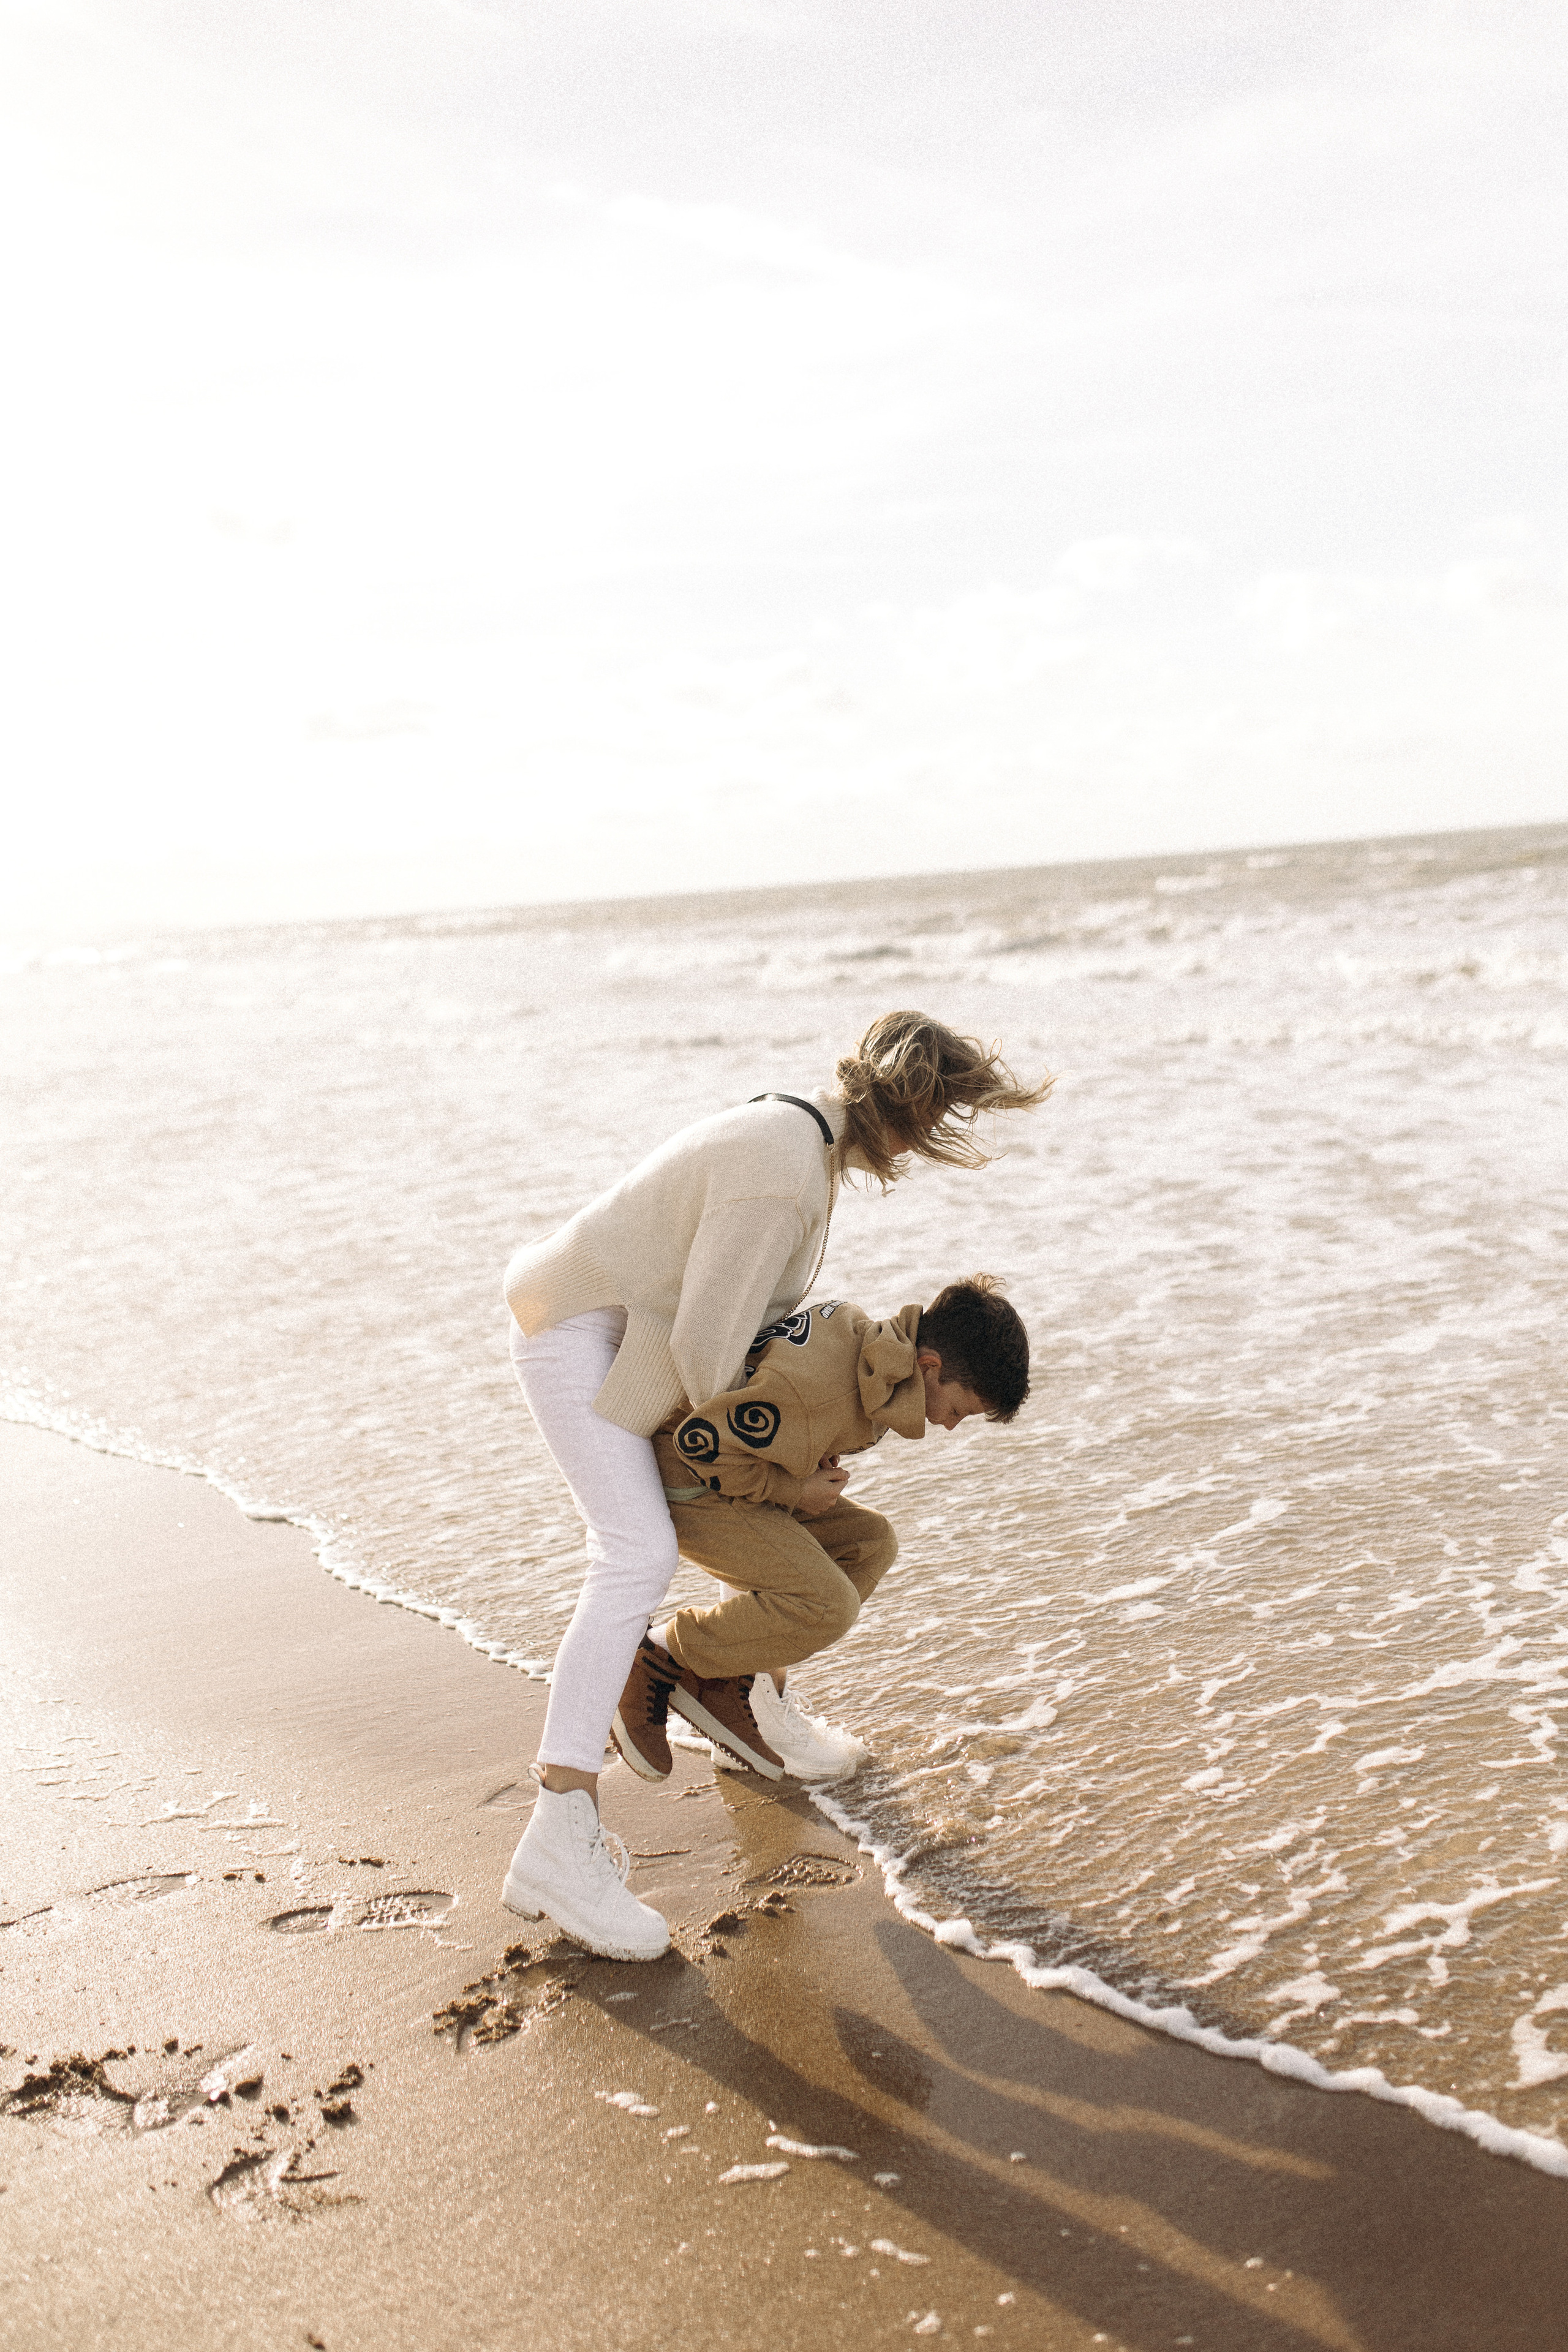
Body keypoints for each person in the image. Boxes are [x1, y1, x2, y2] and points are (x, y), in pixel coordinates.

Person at [500, 1011, 1050, 1961]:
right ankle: (561, 1831)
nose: (927, 1153)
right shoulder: (785, 1169)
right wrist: (787, 1481)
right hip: (579, 1333)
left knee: (780, 1549)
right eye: (940, 1127)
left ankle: (740, 1694)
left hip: (612, 1331)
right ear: (912, 1117)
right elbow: (709, 1350)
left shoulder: (802, 1141)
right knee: (637, 1554)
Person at [609, 1276, 1030, 1784]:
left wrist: (798, 1462)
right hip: (692, 1485)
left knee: (871, 1543)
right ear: (930, 1367)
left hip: (737, 1478)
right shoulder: (827, 1390)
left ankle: (726, 1674)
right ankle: (658, 1656)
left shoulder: (874, 1352)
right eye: (959, 1410)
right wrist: (793, 1489)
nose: (949, 1427)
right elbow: (698, 1443)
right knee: (830, 1604)